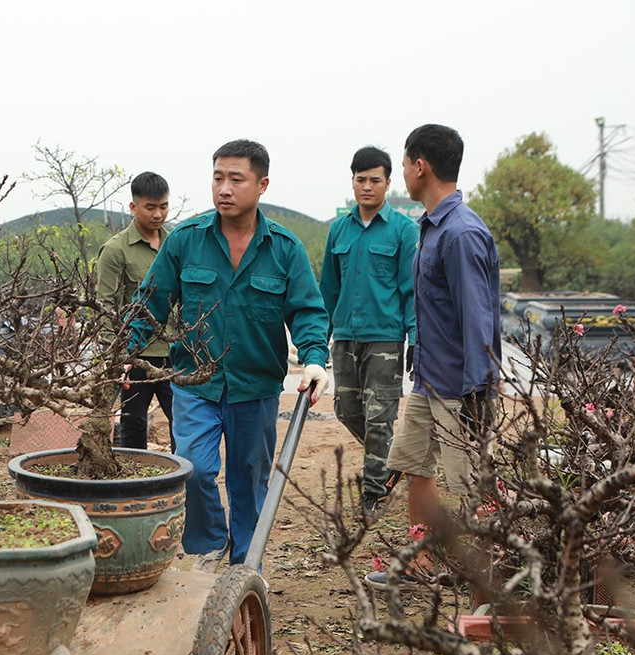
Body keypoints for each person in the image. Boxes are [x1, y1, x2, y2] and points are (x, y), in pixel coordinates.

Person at [129, 140, 329, 570]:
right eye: (217, 177)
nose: (224, 188)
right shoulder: (185, 241)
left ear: (262, 185)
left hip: (255, 387)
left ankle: (245, 563)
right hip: (195, 384)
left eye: (236, 179)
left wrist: (314, 357)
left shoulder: (285, 249)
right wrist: (125, 354)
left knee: (249, 479)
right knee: (195, 470)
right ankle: (208, 544)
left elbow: (308, 311)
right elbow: (150, 304)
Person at [366, 124, 501, 591]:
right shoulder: (433, 227)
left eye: (403, 164)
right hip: (429, 378)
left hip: (462, 388)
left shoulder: (461, 233)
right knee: (416, 468)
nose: (403, 172)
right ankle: (422, 566)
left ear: (420, 166)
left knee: (470, 485)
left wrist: (478, 397)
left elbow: (477, 321)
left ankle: (485, 578)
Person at [319, 147, 418, 517]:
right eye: (360, 179)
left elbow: (411, 290)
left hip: (386, 339)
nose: (367, 186)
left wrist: (414, 338)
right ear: (353, 182)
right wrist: (317, 338)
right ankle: (393, 461)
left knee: (379, 417)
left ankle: (373, 494)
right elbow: (328, 289)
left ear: (388, 183)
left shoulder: (404, 231)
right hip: (344, 336)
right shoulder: (338, 230)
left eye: (375, 179)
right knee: (347, 410)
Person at [96, 172, 175, 451]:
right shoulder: (116, 250)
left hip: (174, 353)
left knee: (184, 423)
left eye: (163, 206)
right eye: (150, 207)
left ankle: (183, 482)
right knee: (133, 423)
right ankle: (134, 479)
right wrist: (115, 356)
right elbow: (105, 305)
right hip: (136, 354)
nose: (158, 214)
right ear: (133, 207)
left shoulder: (176, 243)